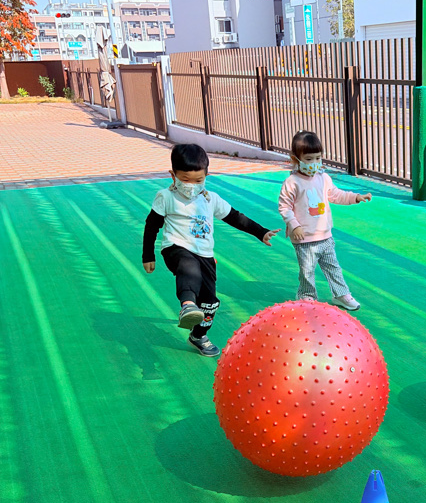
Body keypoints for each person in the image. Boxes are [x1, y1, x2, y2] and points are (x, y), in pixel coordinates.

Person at [143, 144, 278, 356]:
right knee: (188, 267)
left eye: (198, 180)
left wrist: (260, 232)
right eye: (185, 179)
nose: (191, 185)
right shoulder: (166, 197)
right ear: (173, 176)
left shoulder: (210, 198)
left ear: (206, 175)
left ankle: (198, 335)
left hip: (205, 255)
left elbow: (235, 217)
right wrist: (148, 255)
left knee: (210, 303)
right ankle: (188, 304)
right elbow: (152, 225)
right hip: (176, 248)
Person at [277, 130, 371, 310]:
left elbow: (336, 195)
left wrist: (355, 197)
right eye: (308, 159)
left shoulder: (323, 178)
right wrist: (294, 225)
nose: (314, 163)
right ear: (296, 159)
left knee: (333, 267)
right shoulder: (292, 182)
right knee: (307, 271)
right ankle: (307, 297)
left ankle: (341, 294)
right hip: (304, 238)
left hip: (325, 236)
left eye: (318, 158)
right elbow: (284, 207)